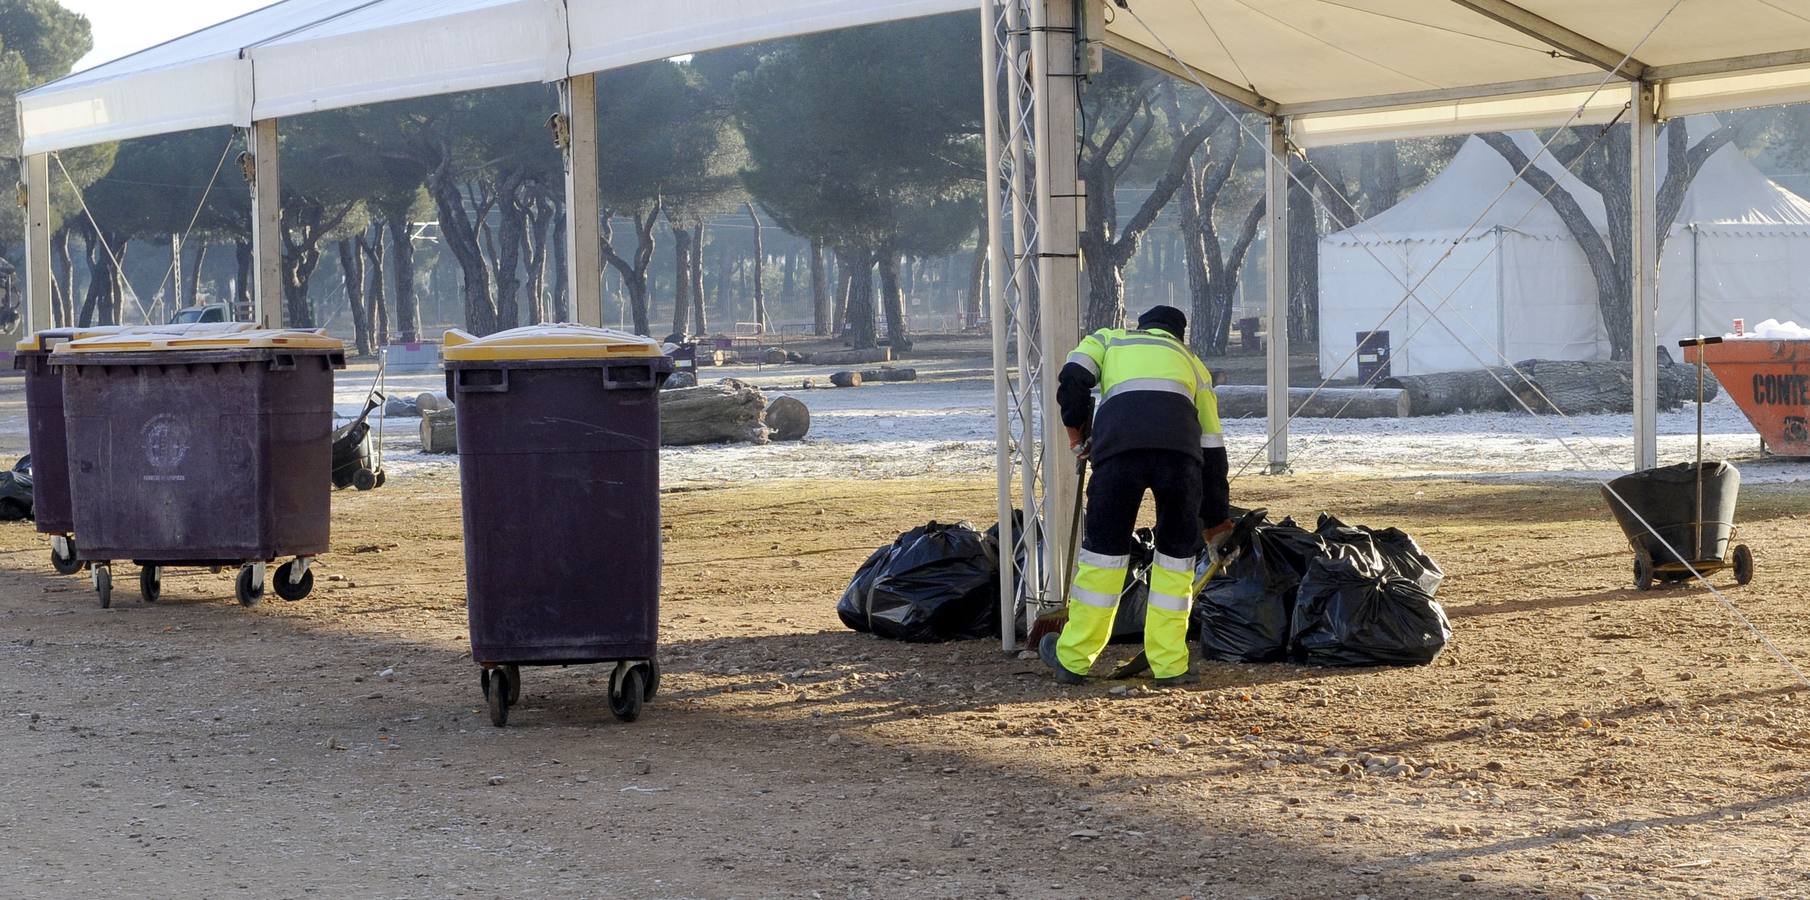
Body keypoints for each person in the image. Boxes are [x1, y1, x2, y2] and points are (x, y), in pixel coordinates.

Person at [1040, 304, 1230, 687]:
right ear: (1179, 336)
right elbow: (1212, 451)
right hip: (1181, 461)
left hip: (1118, 454)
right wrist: (1216, 520)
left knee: (1103, 557)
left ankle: (1074, 659)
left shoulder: (1109, 340)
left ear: (1140, 326)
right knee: (1176, 561)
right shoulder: (1193, 364)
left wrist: (1076, 433)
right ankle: (1171, 665)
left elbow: (1073, 377)